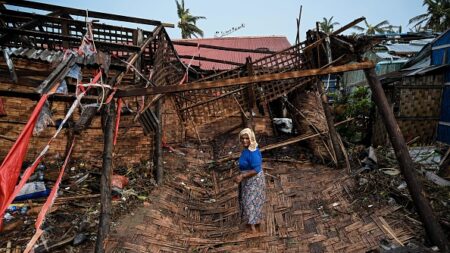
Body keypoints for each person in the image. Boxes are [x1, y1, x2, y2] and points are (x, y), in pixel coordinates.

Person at [235, 128, 266, 233]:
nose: (244, 141)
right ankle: (254, 221)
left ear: (251, 138)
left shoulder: (253, 152)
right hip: (248, 179)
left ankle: (252, 227)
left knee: (250, 202)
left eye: (247, 138)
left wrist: (242, 176)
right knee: (250, 201)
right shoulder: (247, 149)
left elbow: (256, 169)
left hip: (254, 180)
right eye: (242, 138)